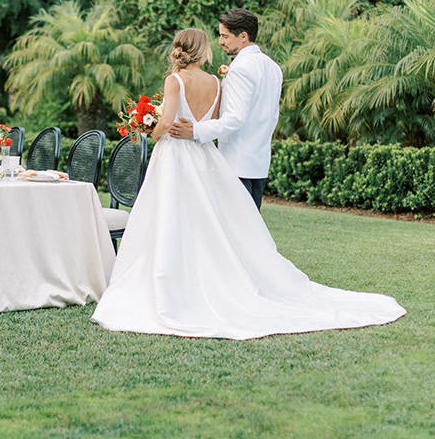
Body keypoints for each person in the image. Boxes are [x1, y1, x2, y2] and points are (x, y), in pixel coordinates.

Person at [91, 28, 406, 340]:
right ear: (203, 51)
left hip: (175, 155)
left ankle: (172, 279)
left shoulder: (175, 81)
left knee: (169, 216)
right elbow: (210, 122)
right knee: (207, 219)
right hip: (204, 155)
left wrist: (149, 128)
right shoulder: (216, 82)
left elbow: (166, 125)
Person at [170, 8, 281, 210]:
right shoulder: (272, 67)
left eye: (225, 36)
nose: (220, 41)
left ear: (243, 36)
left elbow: (235, 119)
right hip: (258, 162)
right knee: (249, 226)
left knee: (235, 229)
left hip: (236, 162)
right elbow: (273, 117)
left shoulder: (241, 68)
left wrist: (195, 130)